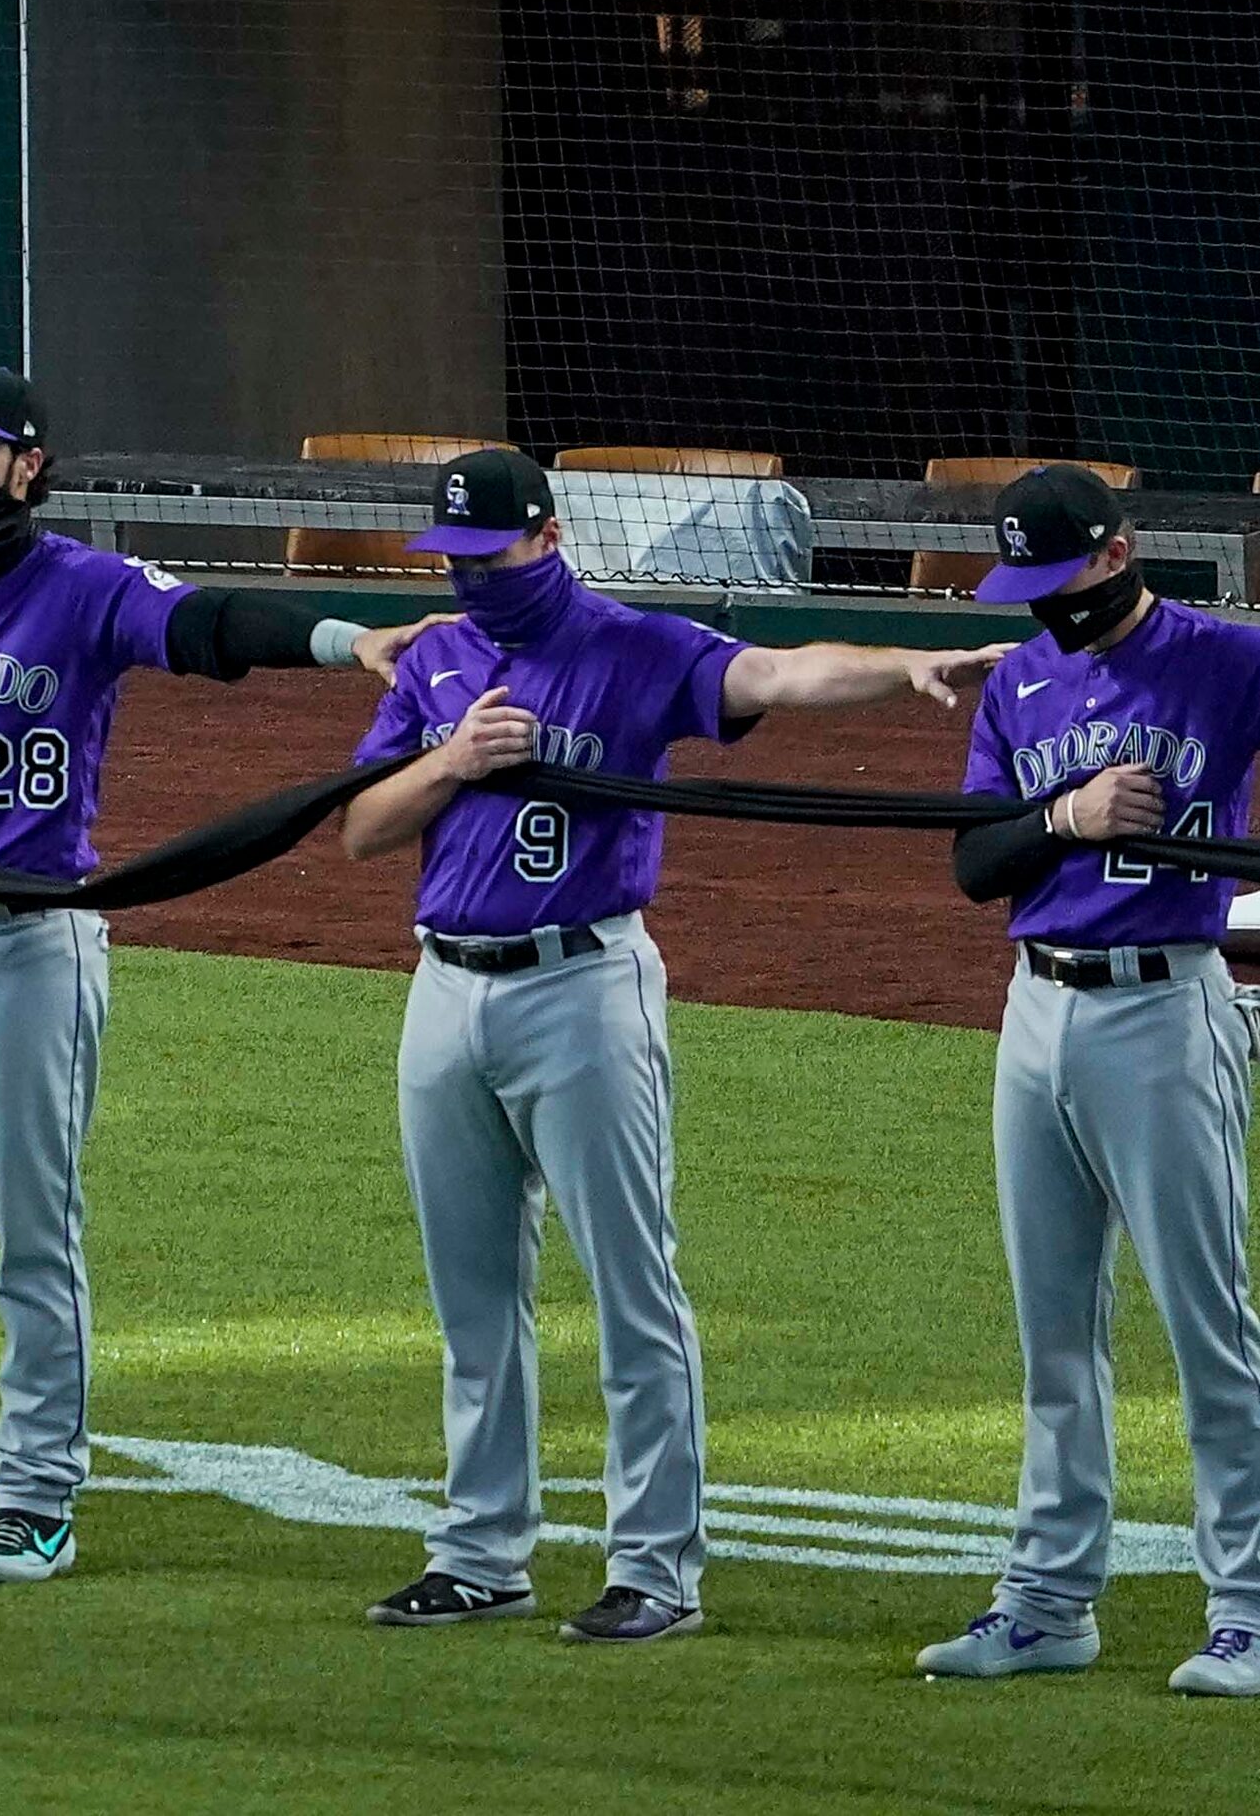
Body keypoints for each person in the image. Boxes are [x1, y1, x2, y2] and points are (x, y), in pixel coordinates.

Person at [0, 365, 446, 1583]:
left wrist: (348, 639)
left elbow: (213, 626)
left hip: (30, 950)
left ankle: (37, 1495)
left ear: (27, 468)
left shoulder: (85, 588)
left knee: (30, 1239)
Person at [339, 447, 1005, 1641]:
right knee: (472, 1299)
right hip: (444, 990)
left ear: (544, 539)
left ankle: (655, 1565)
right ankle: (481, 1552)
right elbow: (360, 830)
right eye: (450, 560)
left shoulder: (632, 647)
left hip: (582, 988)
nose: (467, 578)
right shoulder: (436, 660)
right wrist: (451, 760)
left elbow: (780, 672)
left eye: (484, 556)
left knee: (632, 1288)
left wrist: (906, 664)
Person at [916, 464, 1260, 1697]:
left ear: (1120, 554)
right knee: (1055, 1331)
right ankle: (1051, 1601)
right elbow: (973, 865)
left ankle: (1253, 1607)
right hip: (1036, 1012)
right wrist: (1069, 813)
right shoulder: (1018, 682)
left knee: (1208, 1326)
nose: (1044, 603)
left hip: (1164, 1009)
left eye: (1060, 577)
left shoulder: (1228, 658)